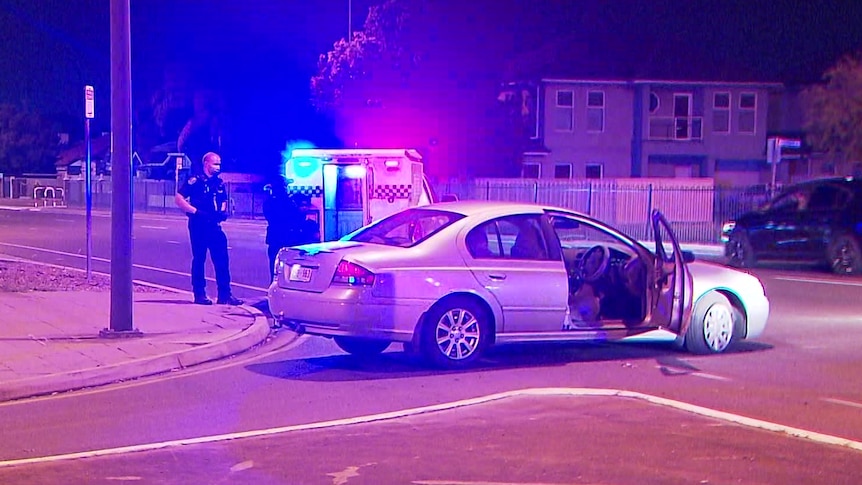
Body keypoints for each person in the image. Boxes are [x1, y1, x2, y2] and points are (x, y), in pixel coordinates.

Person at [174, 152, 243, 305]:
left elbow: (223, 200)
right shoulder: (195, 180)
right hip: (199, 224)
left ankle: (225, 294)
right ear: (206, 163)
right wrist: (195, 212)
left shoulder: (218, 183)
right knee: (199, 259)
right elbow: (179, 198)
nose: (218, 167)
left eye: (219, 164)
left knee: (222, 260)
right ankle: (200, 294)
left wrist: (222, 212)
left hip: (214, 225)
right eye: (215, 163)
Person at [263, 181, 320, 280]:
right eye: (285, 186)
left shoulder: (268, 202)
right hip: (287, 238)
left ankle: (274, 283)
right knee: (288, 265)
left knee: (274, 265)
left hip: (274, 238)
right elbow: (296, 218)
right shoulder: (288, 202)